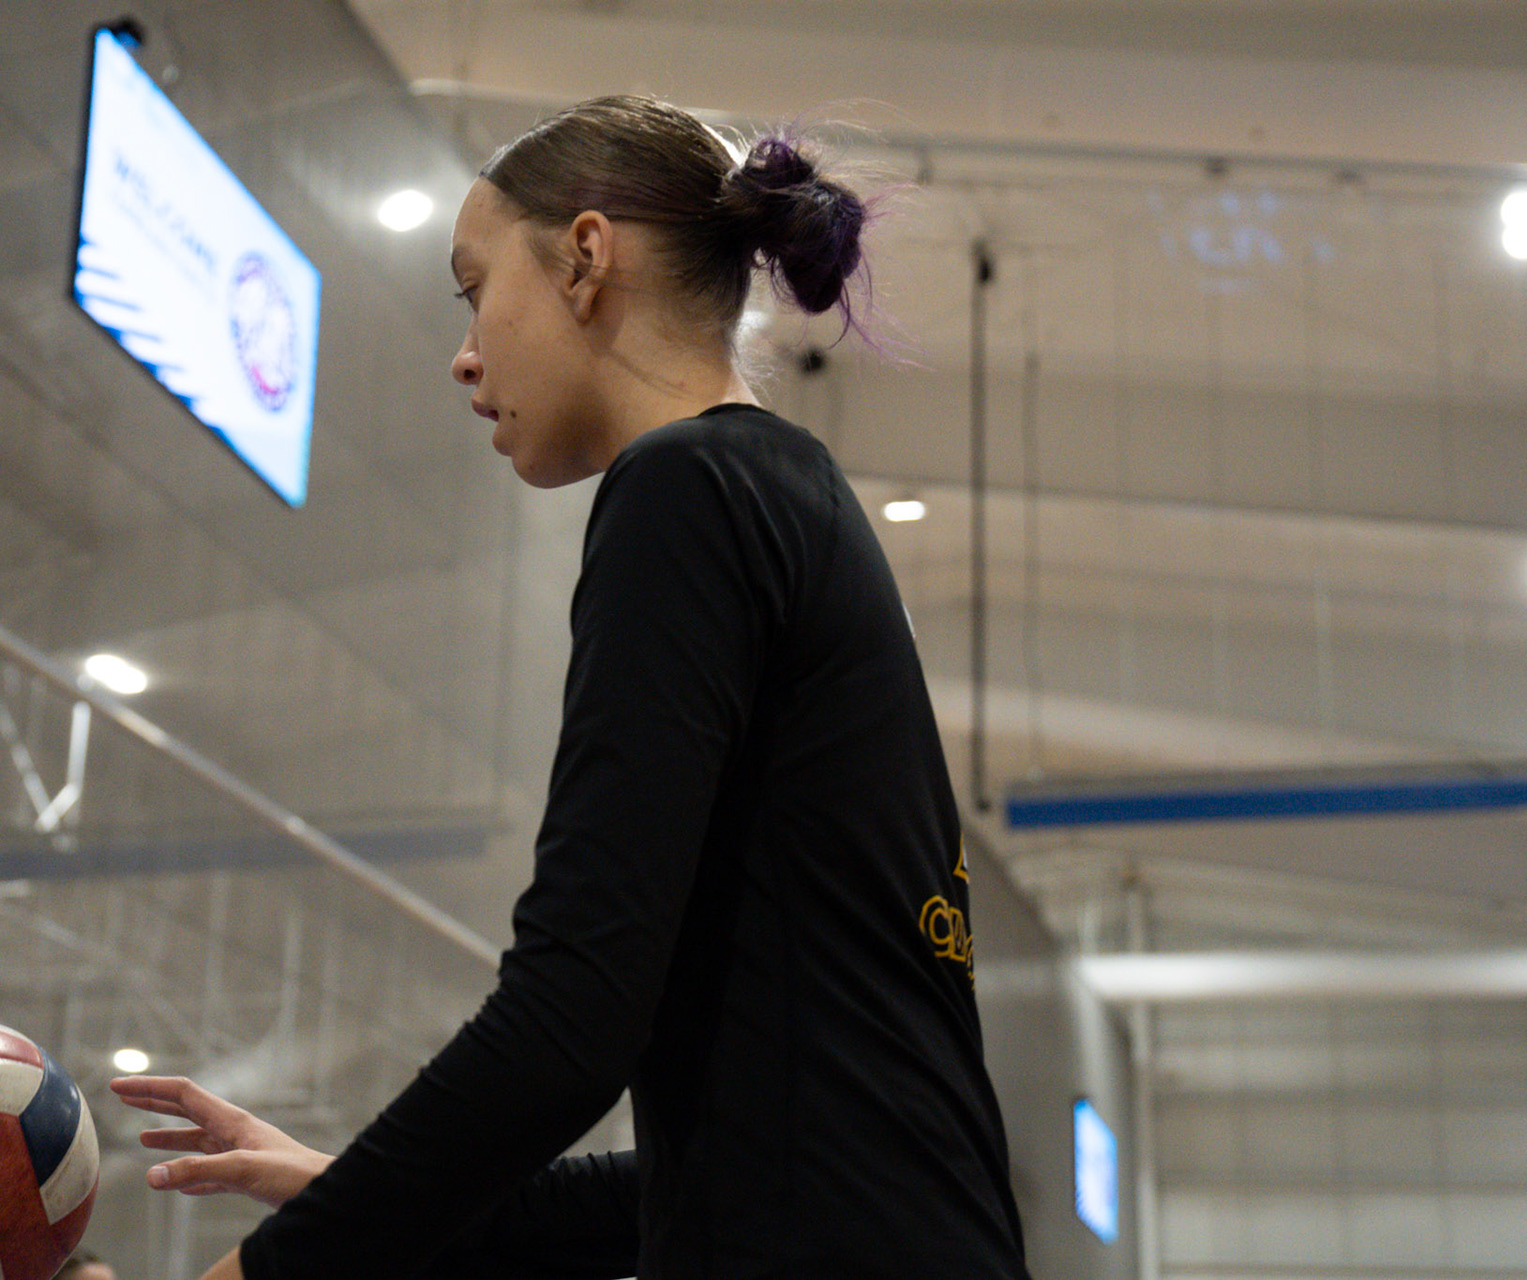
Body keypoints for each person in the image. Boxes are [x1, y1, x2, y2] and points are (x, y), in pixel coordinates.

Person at [111, 94, 1031, 1280]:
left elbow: (570, 1020)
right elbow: (726, 1173)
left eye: (473, 287)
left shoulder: (687, 491)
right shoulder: (790, 497)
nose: (464, 353)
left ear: (586, 257)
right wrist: (354, 1192)